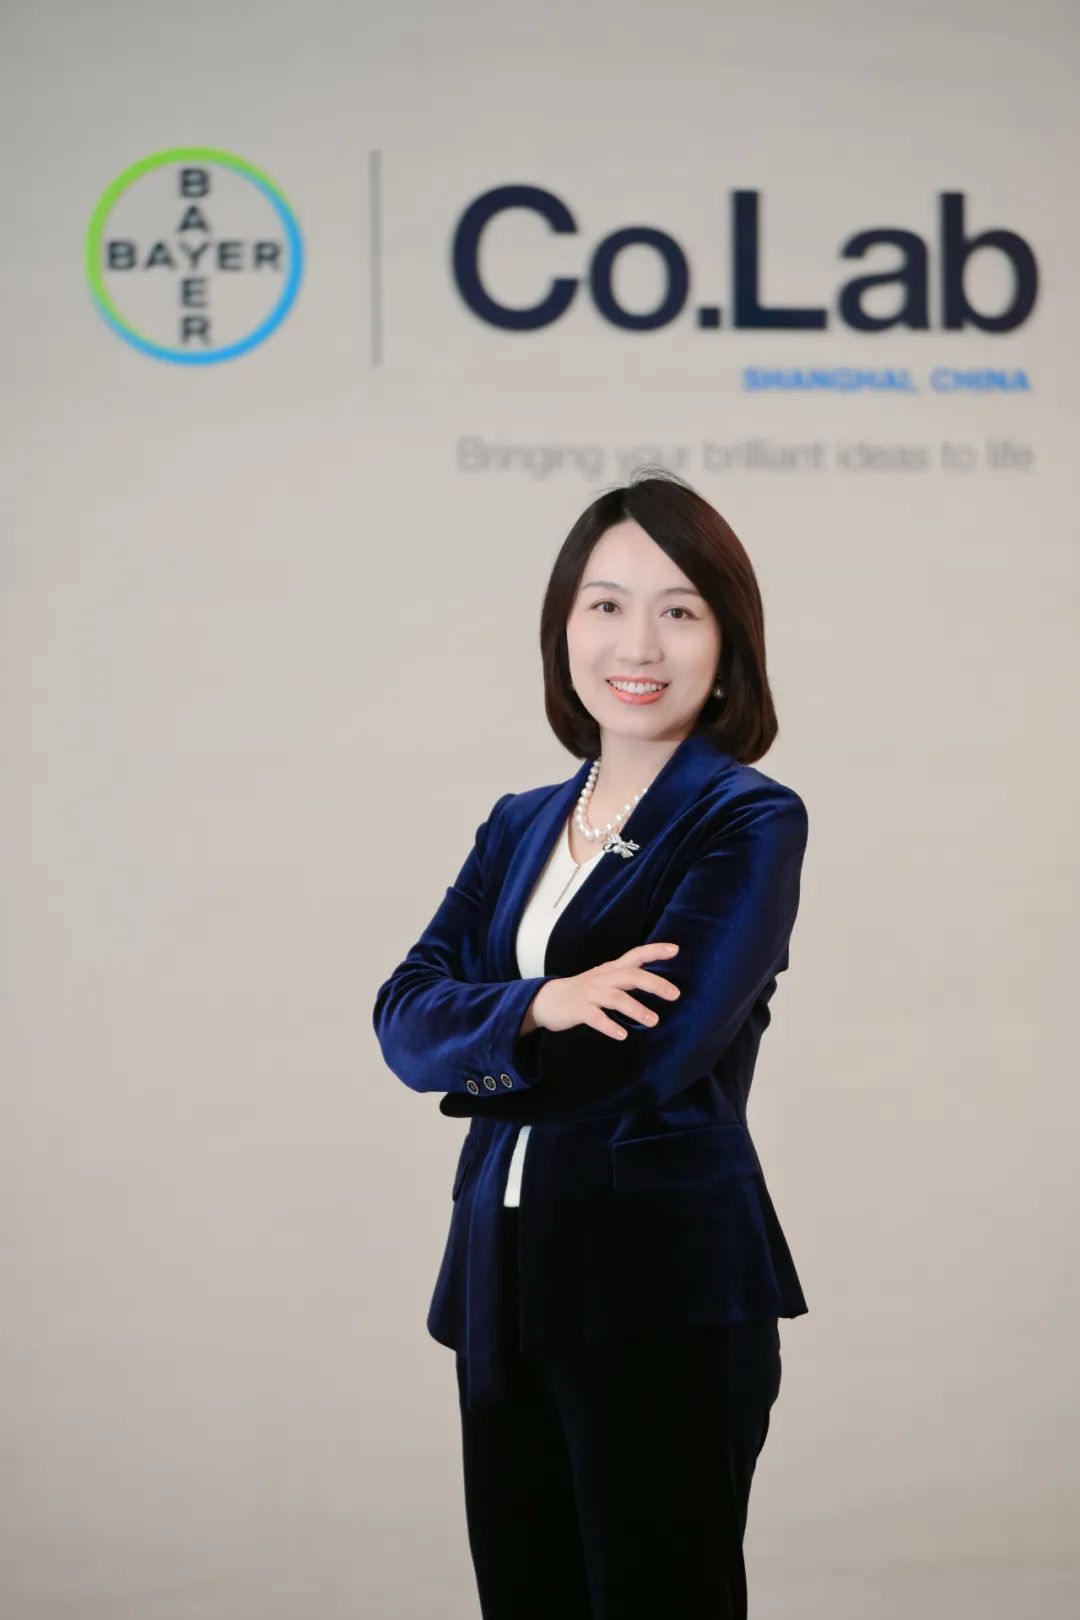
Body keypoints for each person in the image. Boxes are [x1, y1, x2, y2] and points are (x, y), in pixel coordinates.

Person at [372, 469, 811, 1620]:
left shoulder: (746, 818)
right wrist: (539, 1006)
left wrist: (477, 1035)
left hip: (658, 1285)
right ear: (563, 627)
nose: (639, 643)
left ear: (728, 639)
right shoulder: (519, 824)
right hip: (499, 1282)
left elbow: (649, 1057)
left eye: (680, 610)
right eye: (606, 605)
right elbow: (402, 1016)